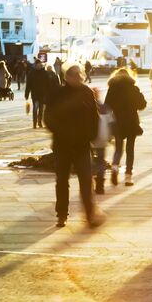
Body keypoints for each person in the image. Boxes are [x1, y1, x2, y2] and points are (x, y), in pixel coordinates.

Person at [46, 64, 103, 227]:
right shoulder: (58, 93)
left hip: (82, 144)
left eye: (80, 76)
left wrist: (91, 135)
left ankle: (90, 214)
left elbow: (95, 116)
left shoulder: (86, 92)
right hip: (62, 145)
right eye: (75, 76)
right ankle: (62, 214)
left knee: (86, 180)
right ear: (67, 78)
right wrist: (58, 131)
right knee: (62, 181)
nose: (78, 79)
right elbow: (48, 116)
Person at [104, 66, 146, 186]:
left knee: (118, 148)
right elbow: (142, 105)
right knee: (130, 149)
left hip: (117, 122)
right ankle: (128, 177)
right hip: (131, 122)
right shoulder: (133, 88)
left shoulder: (112, 88)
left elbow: (107, 106)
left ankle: (115, 168)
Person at [26, 59, 58, 129]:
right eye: (37, 65)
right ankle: (34, 123)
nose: (38, 66)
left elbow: (48, 83)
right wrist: (26, 93)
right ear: (35, 65)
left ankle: (39, 122)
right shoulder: (31, 73)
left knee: (41, 109)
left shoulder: (44, 73)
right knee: (35, 108)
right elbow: (28, 84)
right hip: (35, 94)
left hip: (43, 94)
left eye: (39, 65)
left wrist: (49, 93)